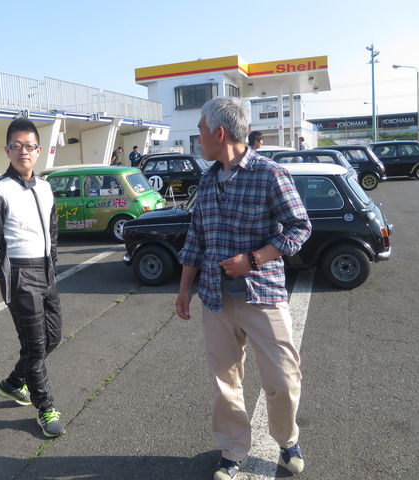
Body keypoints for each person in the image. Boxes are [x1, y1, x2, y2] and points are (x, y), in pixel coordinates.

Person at [175, 97, 311, 479]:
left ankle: (287, 440)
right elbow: (196, 239)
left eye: (200, 130)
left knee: (283, 377)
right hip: (215, 297)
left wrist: (253, 259)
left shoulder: (270, 174)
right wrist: (184, 289)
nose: (198, 138)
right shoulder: (206, 180)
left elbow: (300, 227)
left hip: (262, 293)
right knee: (226, 381)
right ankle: (232, 450)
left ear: (219, 133)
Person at [0, 118, 64, 438]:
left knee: (53, 338)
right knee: (35, 346)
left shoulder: (45, 187)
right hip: (19, 274)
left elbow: (52, 230)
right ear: (7, 150)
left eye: (29, 146)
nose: (23, 151)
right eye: (17, 146)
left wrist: (52, 261)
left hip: (45, 271)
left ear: (39, 150)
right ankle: (45, 406)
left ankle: (13, 383)